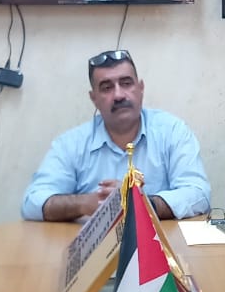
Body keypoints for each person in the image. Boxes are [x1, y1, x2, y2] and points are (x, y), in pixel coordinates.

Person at [22, 50, 211, 221]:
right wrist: (83, 203)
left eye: (126, 83)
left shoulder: (172, 131)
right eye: (107, 88)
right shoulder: (71, 143)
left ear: (141, 88)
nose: (119, 95)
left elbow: (199, 195)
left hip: (158, 244)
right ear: (94, 98)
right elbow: (32, 203)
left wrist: (142, 204)